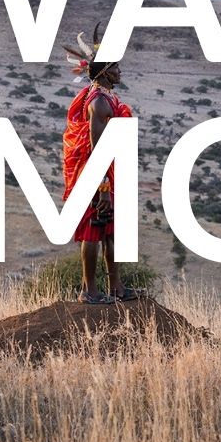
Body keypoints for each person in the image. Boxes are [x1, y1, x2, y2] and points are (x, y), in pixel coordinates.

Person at [61, 27, 139, 305]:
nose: (120, 72)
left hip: (106, 172)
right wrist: (103, 186)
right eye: (116, 67)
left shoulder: (105, 98)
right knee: (94, 228)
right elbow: (98, 148)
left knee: (110, 229)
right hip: (96, 174)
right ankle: (89, 291)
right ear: (105, 71)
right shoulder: (99, 102)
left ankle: (116, 286)